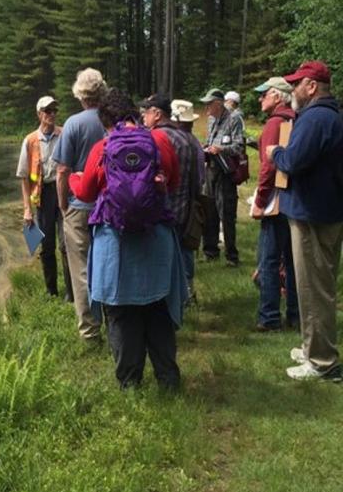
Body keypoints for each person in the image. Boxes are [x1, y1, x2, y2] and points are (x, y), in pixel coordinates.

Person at [70, 88, 186, 390]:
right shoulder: (159, 141)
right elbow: (173, 182)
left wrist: (72, 176)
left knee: (122, 313)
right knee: (157, 309)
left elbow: (85, 193)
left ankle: (130, 384)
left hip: (116, 242)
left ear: (105, 120)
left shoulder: (103, 146)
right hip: (156, 238)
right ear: (134, 113)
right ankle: (168, 380)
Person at [266, 61, 343, 381]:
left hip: (313, 213)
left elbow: (294, 161)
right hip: (326, 209)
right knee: (318, 282)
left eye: (297, 83)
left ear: (312, 86)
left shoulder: (315, 118)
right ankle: (314, 346)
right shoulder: (332, 114)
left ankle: (322, 361)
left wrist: (274, 153)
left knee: (314, 287)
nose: (293, 90)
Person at [52, 68, 106, 342]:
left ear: (79, 94)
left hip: (79, 206)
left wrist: (63, 206)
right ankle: (114, 320)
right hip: (109, 207)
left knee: (81, 269)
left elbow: (62, 170)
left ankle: (89, 332)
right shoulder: (111, 121)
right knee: (107, 263)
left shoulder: (73, 124)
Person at [141, 94, 202, 299]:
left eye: (147, 112)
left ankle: (167, 297)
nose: (143, 117)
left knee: (161, 257)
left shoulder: (155, 138)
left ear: (157, 114)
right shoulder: (187, 138)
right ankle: (187, 293)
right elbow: (197, 177)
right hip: (185, 205)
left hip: (163, 207)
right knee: (184, 253)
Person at [250, 77, 298, 331]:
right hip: (294, 199)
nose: (260, 99)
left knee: (268, 260)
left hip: (275, 201)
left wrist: (259, 200)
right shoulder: (296, 119)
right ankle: (294, 314)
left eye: (264, 94)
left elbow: (269, 166)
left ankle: (269, 317)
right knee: (291, 259)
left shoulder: (274, 123)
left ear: (278, 97)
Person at [16, 95, 72, 299]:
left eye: (54, 111)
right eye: (48, 111)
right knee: (47, 245)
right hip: (43, 195)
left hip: (64, 191)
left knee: (67, 243)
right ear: (39, 114)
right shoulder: (30, 140)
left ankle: (72, 292)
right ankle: (52, 291)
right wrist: (27, 209)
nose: (52, 114)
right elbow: (24, 177)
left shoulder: (65, 133)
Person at [200, 88, 244, 266]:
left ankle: (231, 256)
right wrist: (207, 147)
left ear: (218, 104)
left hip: (226, 172)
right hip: (211, 168)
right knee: (209, 211)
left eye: (209, 104)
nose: (206, 108)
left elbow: (239, 147)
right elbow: (210, 140)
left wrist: (221, 149)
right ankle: (210, 251)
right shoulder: (211, 120)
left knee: (226, 213)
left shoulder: (234, 119)